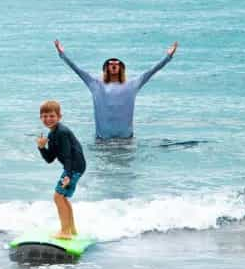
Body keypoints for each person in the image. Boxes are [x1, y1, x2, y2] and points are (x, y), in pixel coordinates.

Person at [54, 39, 178, 139]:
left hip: (126, 140)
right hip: (102, 140)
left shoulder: (132, 84)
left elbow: (152, 71)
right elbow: (76, 69)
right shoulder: (95, 84)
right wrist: (62, 54)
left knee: (125, 169)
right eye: (110, 64)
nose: (113, 65)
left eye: (117, 64)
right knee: (103, 170)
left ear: (122, 68)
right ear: (105, 69)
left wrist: (167, 57)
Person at [36, 100, 86, 239]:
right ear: (41, 118)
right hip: (75, 167)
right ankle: (71, 229)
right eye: (44, 116)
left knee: (58, 197)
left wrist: (68, 175)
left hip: (74, 167)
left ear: (59, 117)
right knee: (62, 197)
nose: (48, 119)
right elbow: (50, 159)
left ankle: (65, 232)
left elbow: (68, 156)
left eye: (51, 116)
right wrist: (41, 147)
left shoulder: (62, 132)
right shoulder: (52, 134)